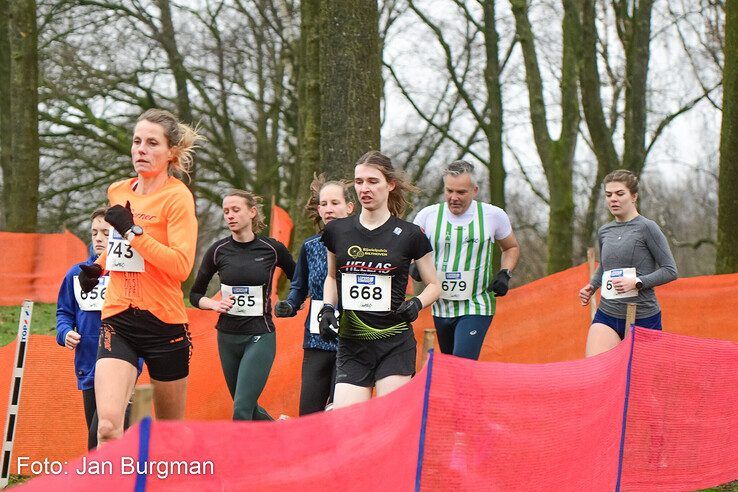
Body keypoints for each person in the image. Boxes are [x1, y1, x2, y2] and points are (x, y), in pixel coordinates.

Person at [77, 108, 201, 444]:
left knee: (171, 436)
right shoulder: (118, 190)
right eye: (136, 141)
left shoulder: (177, 198)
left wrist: (133, 231)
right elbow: (119, 247)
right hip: (119, 317)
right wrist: (99, 266)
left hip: (164, 323)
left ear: (170, 153)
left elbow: (180, 266)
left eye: (151, 143)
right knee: (107, 426)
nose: (141, 149)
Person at [320, 151, 441, 409]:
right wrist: (327, 308)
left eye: (373, 181)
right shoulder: (336, 231)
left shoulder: (410, 235)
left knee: (389, 423)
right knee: (347, 425)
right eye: (359, 181)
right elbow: (331, 277)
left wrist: (417, 304)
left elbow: (434, 285)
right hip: (352, 344)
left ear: (390, 184)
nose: (365, 188)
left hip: (394, 343)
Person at [190, 190, 295, 420]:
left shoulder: (271, 248)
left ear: (252, 212)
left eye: (236, 210)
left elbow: (298, 278)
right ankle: (281, 436)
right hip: (227, 337)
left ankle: (239, 457)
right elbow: (195, 294)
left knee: (241, 409)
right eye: (226, 211)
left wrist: (291, 302)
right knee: (248, 407)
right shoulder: (218, 250)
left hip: (259, 336)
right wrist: (213, 304)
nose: (230, 216)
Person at [412, 160, 520, 360]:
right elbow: (409, 249)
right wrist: (415, 266)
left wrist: (505, 273)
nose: (454, 198)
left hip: (477, 303)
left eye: (461, 192)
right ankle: (468, 392)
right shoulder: (428, 215)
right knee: (452, 365)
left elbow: (511, 247)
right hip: (441, 304)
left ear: (475, 190)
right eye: (449, 191)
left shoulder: (493, 215)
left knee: (462, 362)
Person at [274, 175, 354, 415]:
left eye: (335, 203)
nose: (329, 209)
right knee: (309, 410)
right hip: (317, 337)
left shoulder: (364, 243)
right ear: (318, 209)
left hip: (352, 338)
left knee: (338, 410)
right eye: (324, 204)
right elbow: (299, 287)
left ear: (349, 207)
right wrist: (289, 304)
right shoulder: (311, 246)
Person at [579, 169, 678, 357]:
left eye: (619, 193)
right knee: (598, 372)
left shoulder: (647, 228)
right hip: (607, 314)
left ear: (634, 196)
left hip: (643, 317)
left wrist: (637, 282)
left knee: (638, 381)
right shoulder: (604, 231)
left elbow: (670, 270)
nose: (613, 199)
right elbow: (605, 267)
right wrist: (592, 285)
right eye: (608, 195)